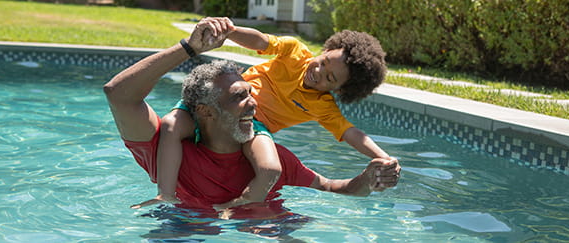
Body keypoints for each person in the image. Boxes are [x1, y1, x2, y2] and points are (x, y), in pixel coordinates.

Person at [103, 18, 401, 216]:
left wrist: (380, 161)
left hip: (254, 131)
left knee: (269, 167)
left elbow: (348, 142)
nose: (319, 72)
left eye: (330, 78)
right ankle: (164, 193)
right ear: (324, 50)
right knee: (170, 124)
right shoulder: (295, 52)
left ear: (339, 90)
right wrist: (227, 32)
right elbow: (261, 42)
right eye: (323, 62)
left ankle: (242, 203)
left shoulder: (321, 108)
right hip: (208, 127)